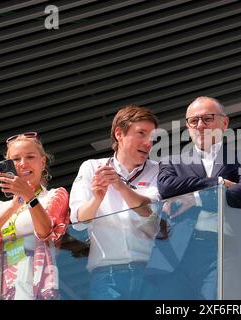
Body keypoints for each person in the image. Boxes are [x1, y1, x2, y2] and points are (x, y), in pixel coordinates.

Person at [146, 96, 241, 299]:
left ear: (224, 123)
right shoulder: (171, 161)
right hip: (176, 254)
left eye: (207, 118)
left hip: (222, 251)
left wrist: (195, 199)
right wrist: (218, 184)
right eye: (194, 120)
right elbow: (167, 188)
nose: (200, 125)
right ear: (188, 127)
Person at [69, 105, 161, 300]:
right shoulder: (91, 167)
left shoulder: (159, 170)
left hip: (152, 272)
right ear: (119, 133)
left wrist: (120, 186)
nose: (147, 143)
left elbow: (150, 211)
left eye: (152, 137)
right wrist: (97, 198)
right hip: (106, 275)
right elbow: (77, 221)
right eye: (141, 134)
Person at [0, 132, 69, 300]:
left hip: (35, 285)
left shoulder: (54, 196)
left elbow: (46, 232)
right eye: (15, 159)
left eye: (30, 157)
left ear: (42, 162)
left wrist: (29, 197)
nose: (23, 164)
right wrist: (13, 206)